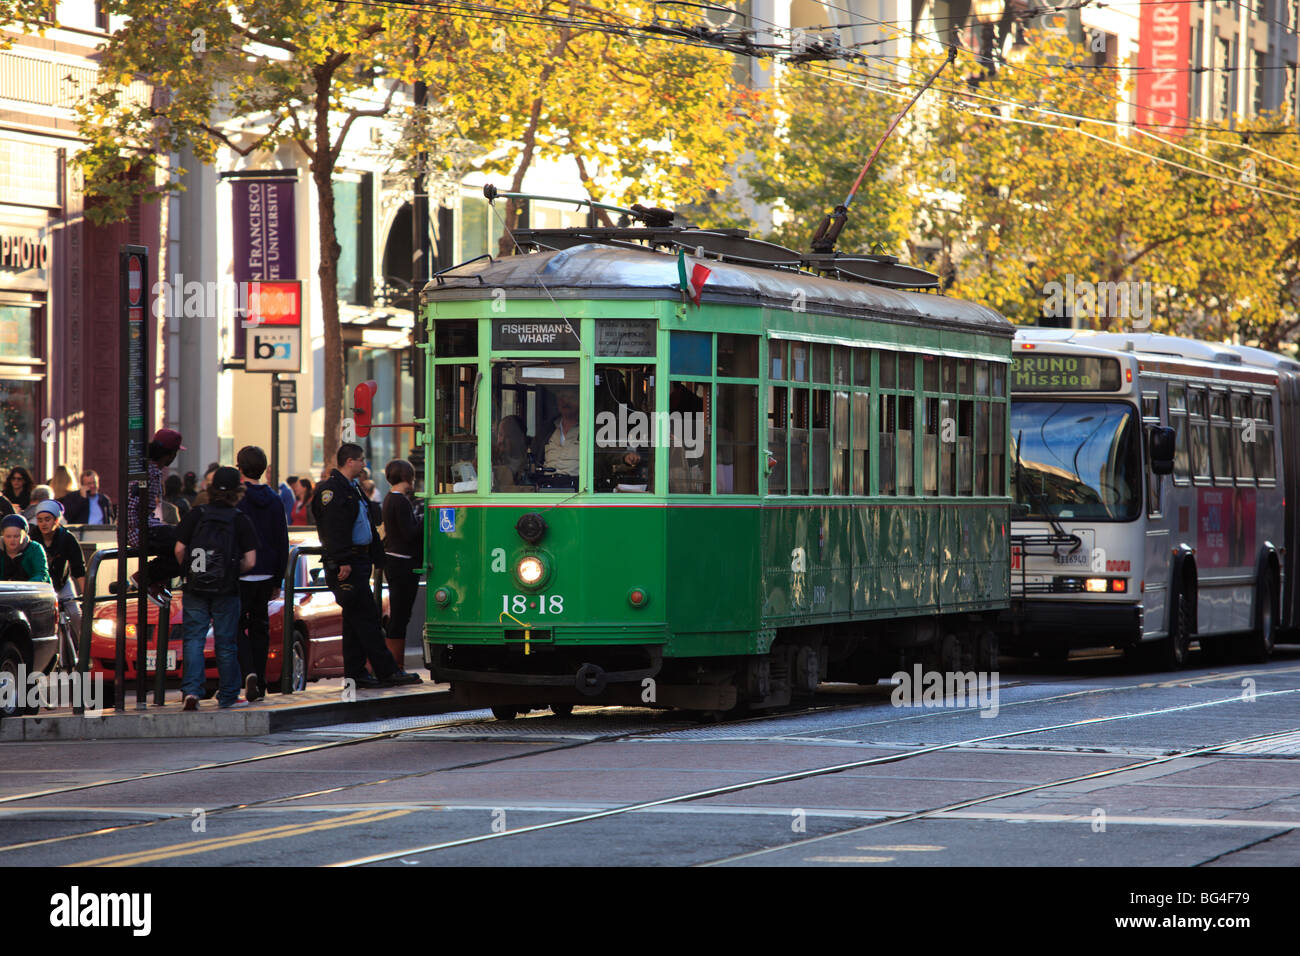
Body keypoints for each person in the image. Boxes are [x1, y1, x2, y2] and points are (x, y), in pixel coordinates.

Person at [314, 443, 420, 688]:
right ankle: (387, 671)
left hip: (359, 560)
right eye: (361, 460)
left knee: (354, 620)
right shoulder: (332, 491)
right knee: (367, 619)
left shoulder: (352, 488)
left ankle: (356, 673)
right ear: (349, 461)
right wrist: (342, 560)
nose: (364, 465)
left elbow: (369, 519)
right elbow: (333, 528)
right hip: (347, 563)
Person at [174, 467, 259, 710]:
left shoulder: (196, 514)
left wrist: (191, 571)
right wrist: (231, 572)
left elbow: (179, 549)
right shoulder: (240, 519)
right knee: (225, 642)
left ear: (210, 490)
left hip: (195, 588)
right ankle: (229, 695)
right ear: (237, 492)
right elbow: (251, 561)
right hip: (226, 589)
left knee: (193, 639)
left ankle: (191, 692)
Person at [235, 445, 288, 702]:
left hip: (241, 572)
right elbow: (282, 540)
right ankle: (261, 681)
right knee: (260, 628)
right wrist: (278, 579)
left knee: (233, 626)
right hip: (267, 573)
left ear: (240, 468)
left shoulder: (237, 499)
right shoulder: (276, 500)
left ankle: (248, 672)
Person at [122, 429, 186, 606]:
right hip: (140, 529)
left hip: (146, 525)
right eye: (174, 453)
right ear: (169, 454)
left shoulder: (152, 469)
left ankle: (155, 578)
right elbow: (132, 504)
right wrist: (138, 531)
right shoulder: (147, 471)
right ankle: (146, 576)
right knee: (185, 544)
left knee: (183, 539)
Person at [382, 459, 422, 668]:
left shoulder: (390, 499)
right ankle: (395, 665)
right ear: (407, 477)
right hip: (403, 563)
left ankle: (395, 664)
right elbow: (409, 533)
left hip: (394, 561)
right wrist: (425, 520)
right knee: (401, 615)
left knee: (399, 614)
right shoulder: (401, 501)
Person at [33, 500, 86, 640]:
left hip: (62, 584)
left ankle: (85, 651)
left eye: (47, 519)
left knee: (76, 614)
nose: (43, 524)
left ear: (56, 520)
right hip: (40, 587)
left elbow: (79, 569)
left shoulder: (67, 538)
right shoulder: (32, 537)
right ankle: (28, 661)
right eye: (40, 520)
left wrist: (86, 596)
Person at [533, 388, 580, 481]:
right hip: (547, 487)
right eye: (562, 397)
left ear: (580, 400)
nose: (566, 402)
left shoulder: (589, 429)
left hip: (578, 489)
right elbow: (536, 457)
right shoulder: (548, 429)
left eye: (571, 398)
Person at [0, 514, 51, 583]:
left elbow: (41, 573)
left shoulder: (35, 548)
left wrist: (26, 586)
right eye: (8, 536)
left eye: (16, 536)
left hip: (32, 590)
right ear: (3, 535)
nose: (12, 540)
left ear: (24, 535)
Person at [493, 414, 529, 491]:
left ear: (520, 438)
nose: (502, 440)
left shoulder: (531, 462)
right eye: (500, 434)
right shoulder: (491, 459)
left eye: (508, 436)